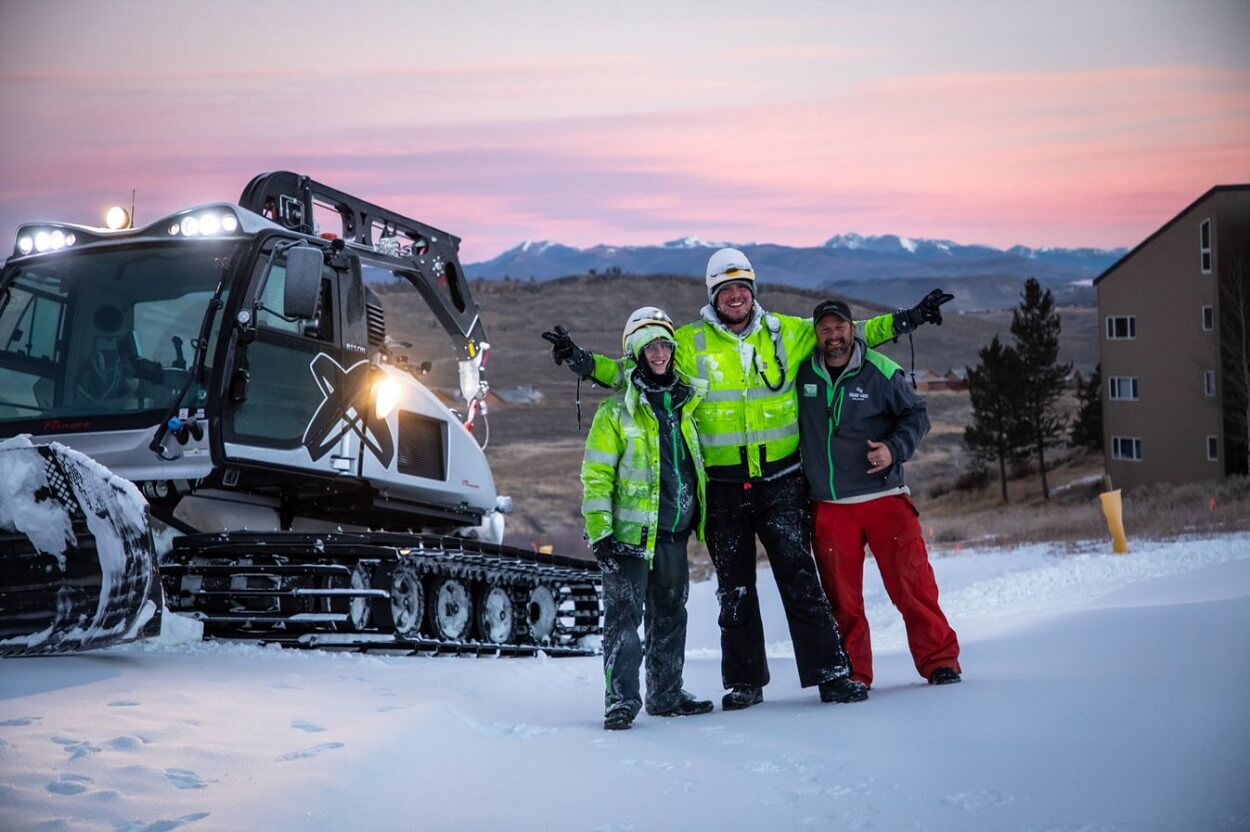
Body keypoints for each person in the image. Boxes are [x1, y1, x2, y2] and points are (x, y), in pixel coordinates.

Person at [546, 248, 953, 709]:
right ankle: (745, 682)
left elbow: (850, 333)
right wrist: (583, 362)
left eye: (742, 288)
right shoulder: (689, 342)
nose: (735, 297)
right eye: (725, 290)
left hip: (781, 482)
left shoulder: (787, 332)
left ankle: (831, 674)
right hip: (723, 489)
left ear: (753, 291)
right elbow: (635, 368)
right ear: (713, 296)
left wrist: (909, 319)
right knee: (734, 590)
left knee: (802, 581)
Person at [797, 299, 961, 689]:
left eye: (841, 328)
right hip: (831, 506)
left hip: (884, 498)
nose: (834, 337)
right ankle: (853, 673)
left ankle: (940, 662)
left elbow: (917, 416)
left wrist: (894, 448)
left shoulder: (881, 372)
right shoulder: (802, 374)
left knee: (913, 585)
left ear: (853, 329)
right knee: (843, 601)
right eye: (825, 330)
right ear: (816, 334)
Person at [582, 306, 715, 730]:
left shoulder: (686, 403)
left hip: (674, 533)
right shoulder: (615, 412)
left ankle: (666, 693)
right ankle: (621, 701)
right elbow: (597, 476)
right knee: (624, 620)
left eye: (664, 345)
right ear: (634, 353)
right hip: (629, 538)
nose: (658, 353)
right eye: (649, 346)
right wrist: (600, 533)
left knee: (672, 616)